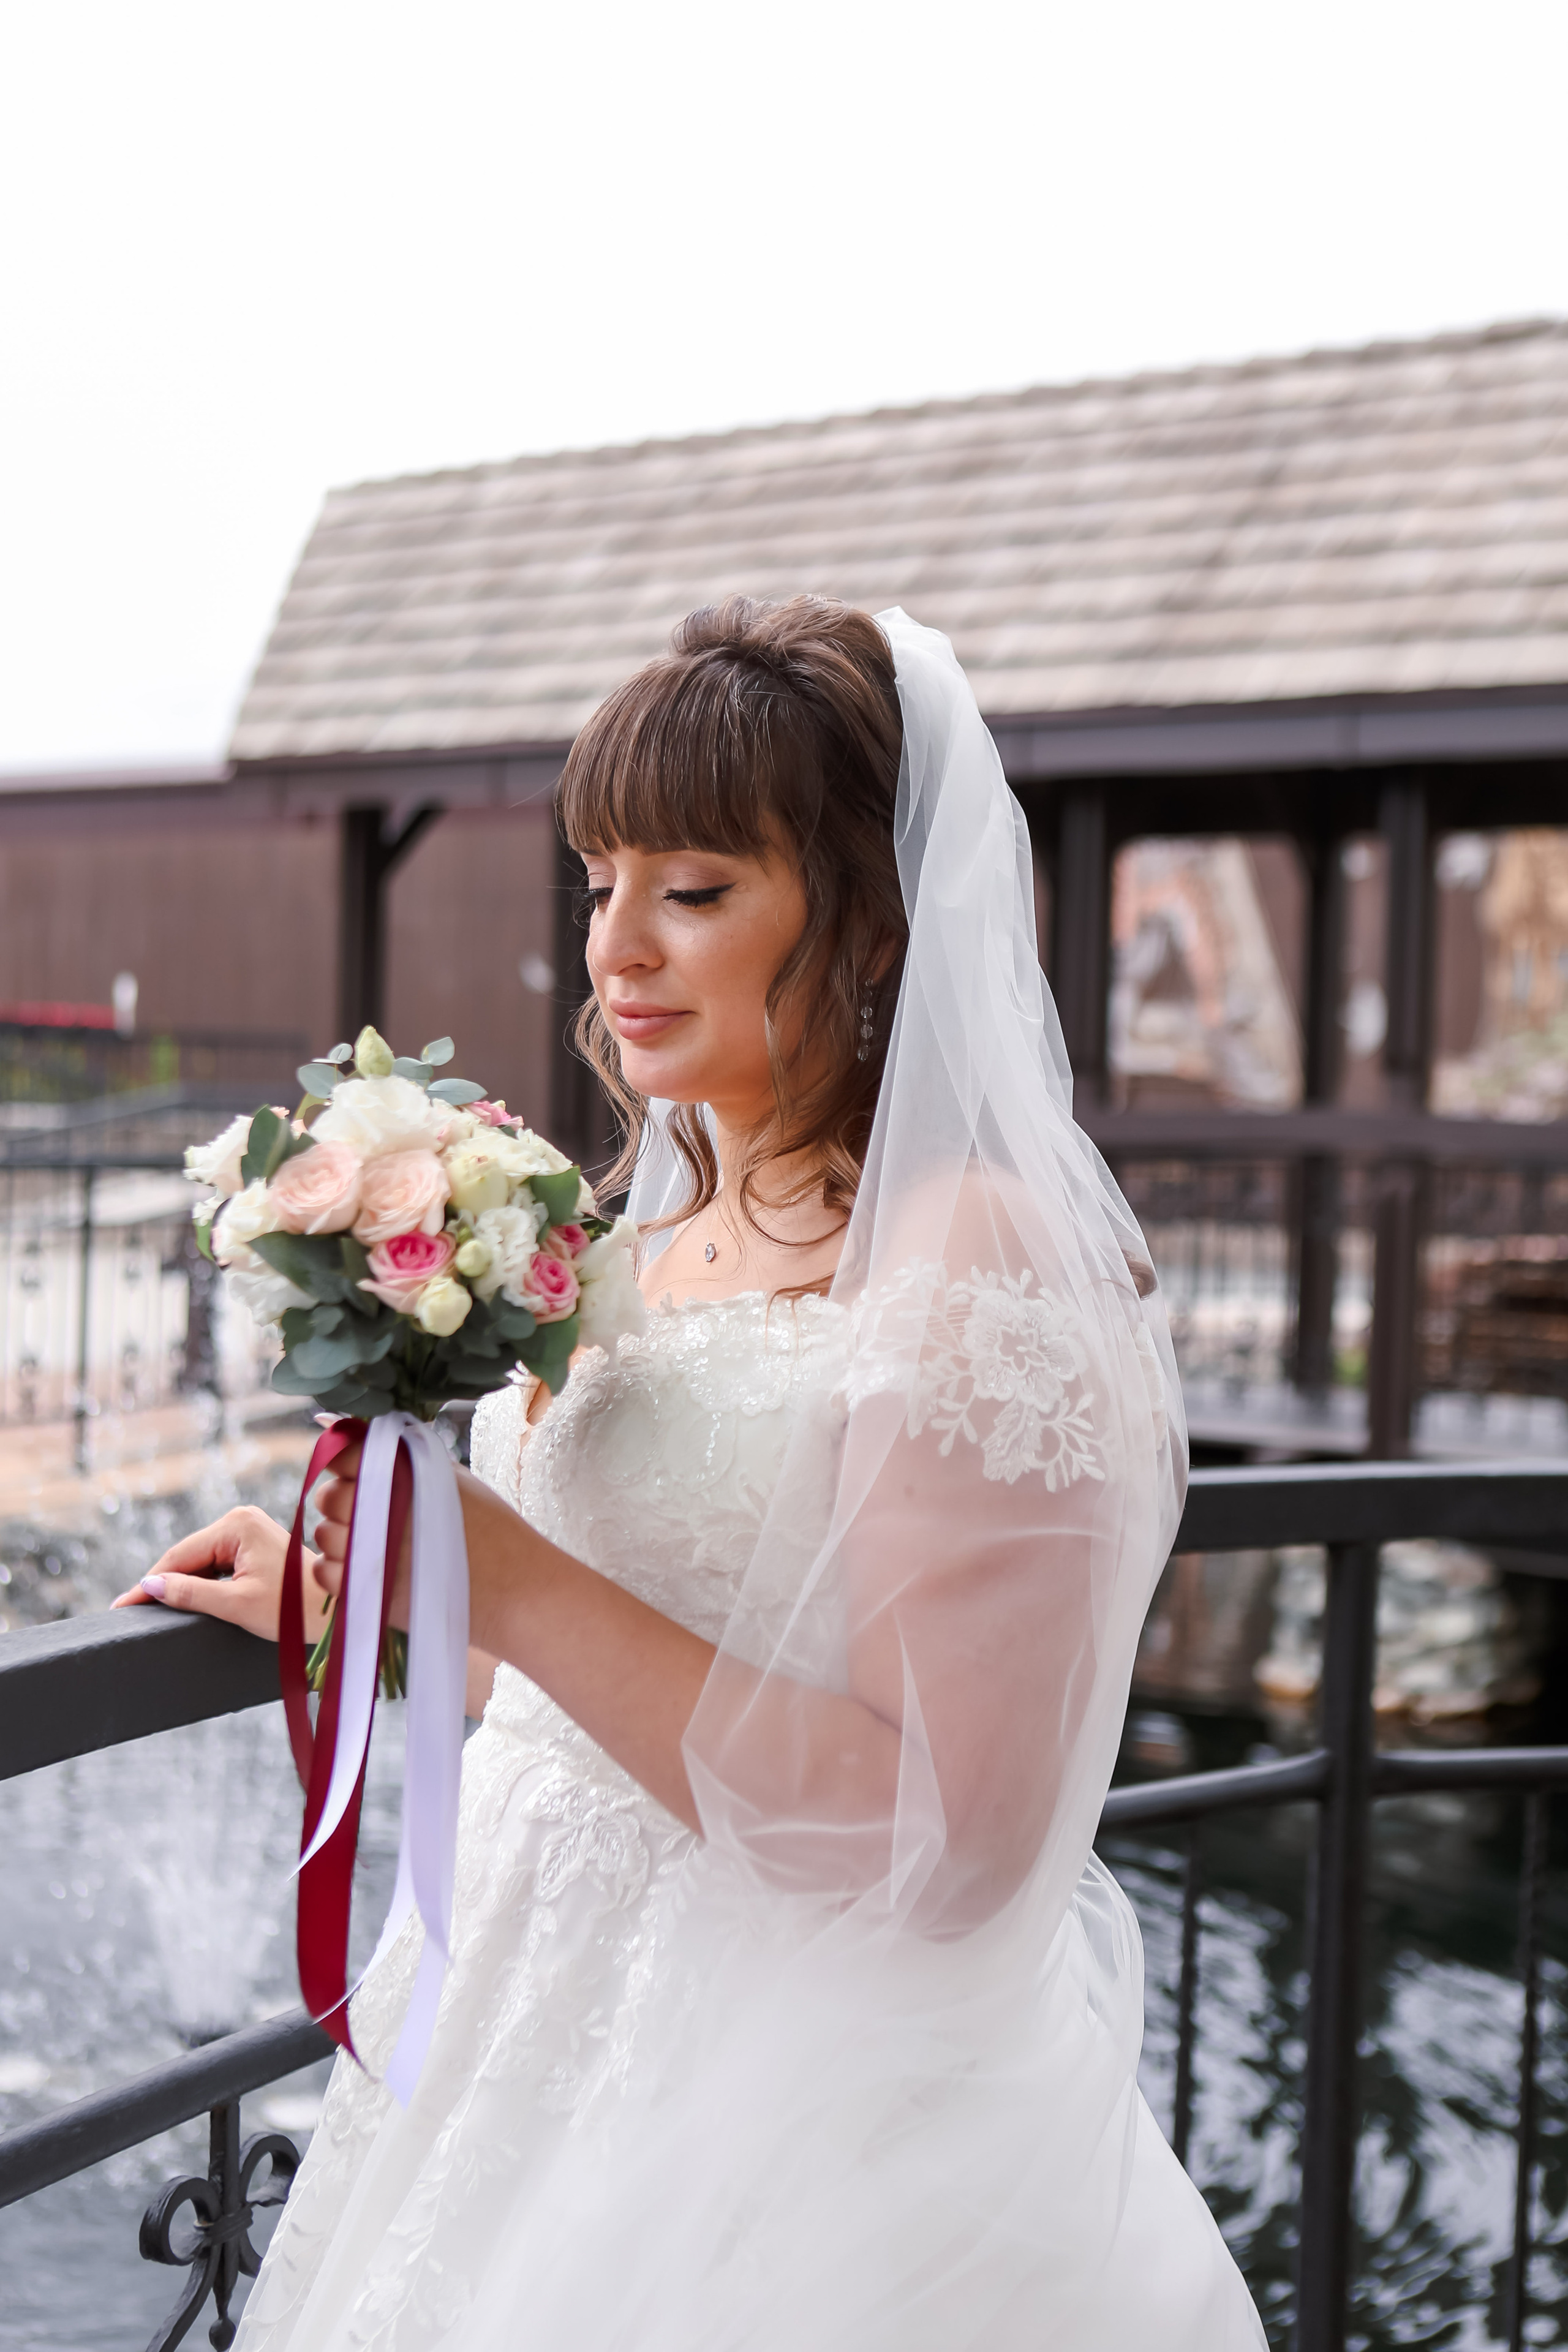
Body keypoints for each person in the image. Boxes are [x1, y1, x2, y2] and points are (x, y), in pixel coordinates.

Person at [116, 599, 1265, 2348]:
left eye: (699, 891)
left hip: (794, 2116)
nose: (620, 951)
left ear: (871, 927)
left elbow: (953, 1846)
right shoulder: (650, 1223)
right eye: (601, 884)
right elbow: (596, 1666)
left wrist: (508, 1575)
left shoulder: (976, 1264)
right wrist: (374, 1603)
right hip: (522, 2019)